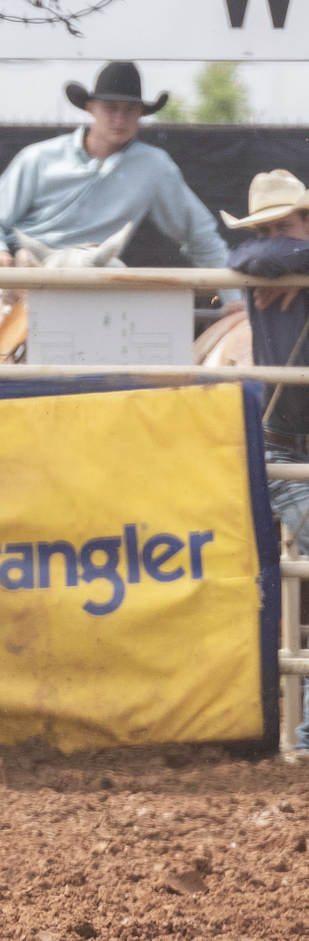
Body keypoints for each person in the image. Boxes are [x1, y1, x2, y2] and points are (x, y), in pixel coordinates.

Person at [0, 62, 233, 285]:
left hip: (97, 277)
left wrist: (232, 295)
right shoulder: (38, 158)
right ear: (90, 108)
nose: (120, 119)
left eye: (130, 110)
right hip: (25, 272)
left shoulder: (153, 166)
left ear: (141, 114)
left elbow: (200, 234)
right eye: (111, 108)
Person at [218, 170, 309, 749]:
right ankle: (305, 735)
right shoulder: (261, 264)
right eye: (267, 229)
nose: (275, 239)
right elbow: (255, 256)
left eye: (287, 226)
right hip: (288, 445)